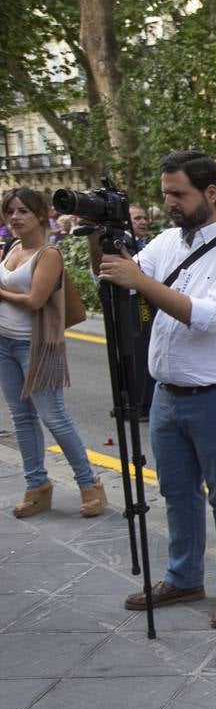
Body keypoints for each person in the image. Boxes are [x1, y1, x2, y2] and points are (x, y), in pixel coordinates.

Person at [95, 151, 216, 629]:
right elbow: (111, 277)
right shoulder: (169, 241)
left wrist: (141, 280)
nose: (168, 202)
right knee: (176, 492)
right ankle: (184, 576)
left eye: (178, 193)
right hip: (168, 395)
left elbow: (208, 316)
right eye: (165, 192)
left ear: (210, 193)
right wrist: (100, 237)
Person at [0, 187, 106, 519]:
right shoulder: (12, 247)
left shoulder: (49, 254)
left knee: (54, 418)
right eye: (10, 211)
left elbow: (34, 300)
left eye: (23, 212)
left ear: (41, 215)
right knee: (22, 418)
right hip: (4, 344)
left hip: (37, 345)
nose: (15, 218)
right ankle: (37, 487)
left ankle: (89, 484)